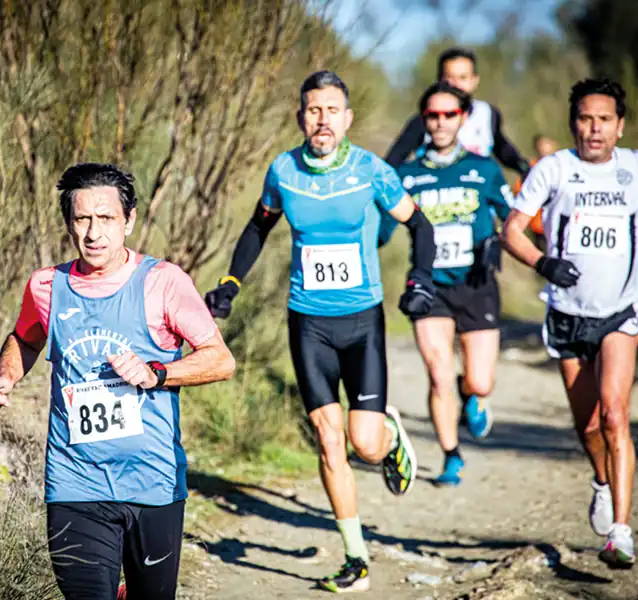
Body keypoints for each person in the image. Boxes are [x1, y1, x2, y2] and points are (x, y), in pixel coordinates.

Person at [204, 70, 436, 593]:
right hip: (308, 322)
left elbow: (421, 225)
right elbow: (258, 226)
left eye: (332, 109)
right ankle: (355, 559)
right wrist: (229, 284)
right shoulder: (283, 171)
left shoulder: (370, 171)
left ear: (347, 118)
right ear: (301, 117)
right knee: (330, 442)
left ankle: (389, 436)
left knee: (365, 445)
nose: (322, 119)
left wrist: (420, 280)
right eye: (313, 110)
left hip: (362, 323)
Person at [0, 163, 236, 600]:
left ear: (129, 220)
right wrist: (5, 379)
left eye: (107, 218)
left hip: (153, 482)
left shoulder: (163, 282)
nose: (94, 233)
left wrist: (158, 373)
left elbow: (219, 360)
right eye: (82, 219)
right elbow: (25, 337)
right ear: (68, 224)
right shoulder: (46, 286)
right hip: (75, 481)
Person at [502, 79, 638, 569]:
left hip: (621, 309)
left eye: (604, 119)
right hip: (566, 312)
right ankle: (601, 481)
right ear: (572, 123)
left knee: (615, 414)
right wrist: (544, 264)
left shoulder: (637, 165)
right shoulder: (553, 169)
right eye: (584, 118)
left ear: (619, 126)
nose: (594, 128)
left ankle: (621, 532)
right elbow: (511, 230)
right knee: (589, 426)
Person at [381, 82, 512, 486]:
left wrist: (496, 241)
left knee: (480, 381)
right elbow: (382, 230)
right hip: (429, 286)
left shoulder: (485, 168)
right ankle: (451, 456)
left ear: (463, 118)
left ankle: (471, 392)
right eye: (432, 116)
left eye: (449, 115)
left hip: (476, 284)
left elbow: (513, 219)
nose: (440, 123)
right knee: (437, 373)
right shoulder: (406, 175)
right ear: (423, 120)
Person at [384, 47, 530, 177]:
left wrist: (525, 168)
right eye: (449, 77)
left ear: (475, 80)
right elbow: (392, 162)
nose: (456, 84)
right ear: (439, 80)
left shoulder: (488, 114)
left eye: (463, 77)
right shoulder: (426, 120)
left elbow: (503, 149)